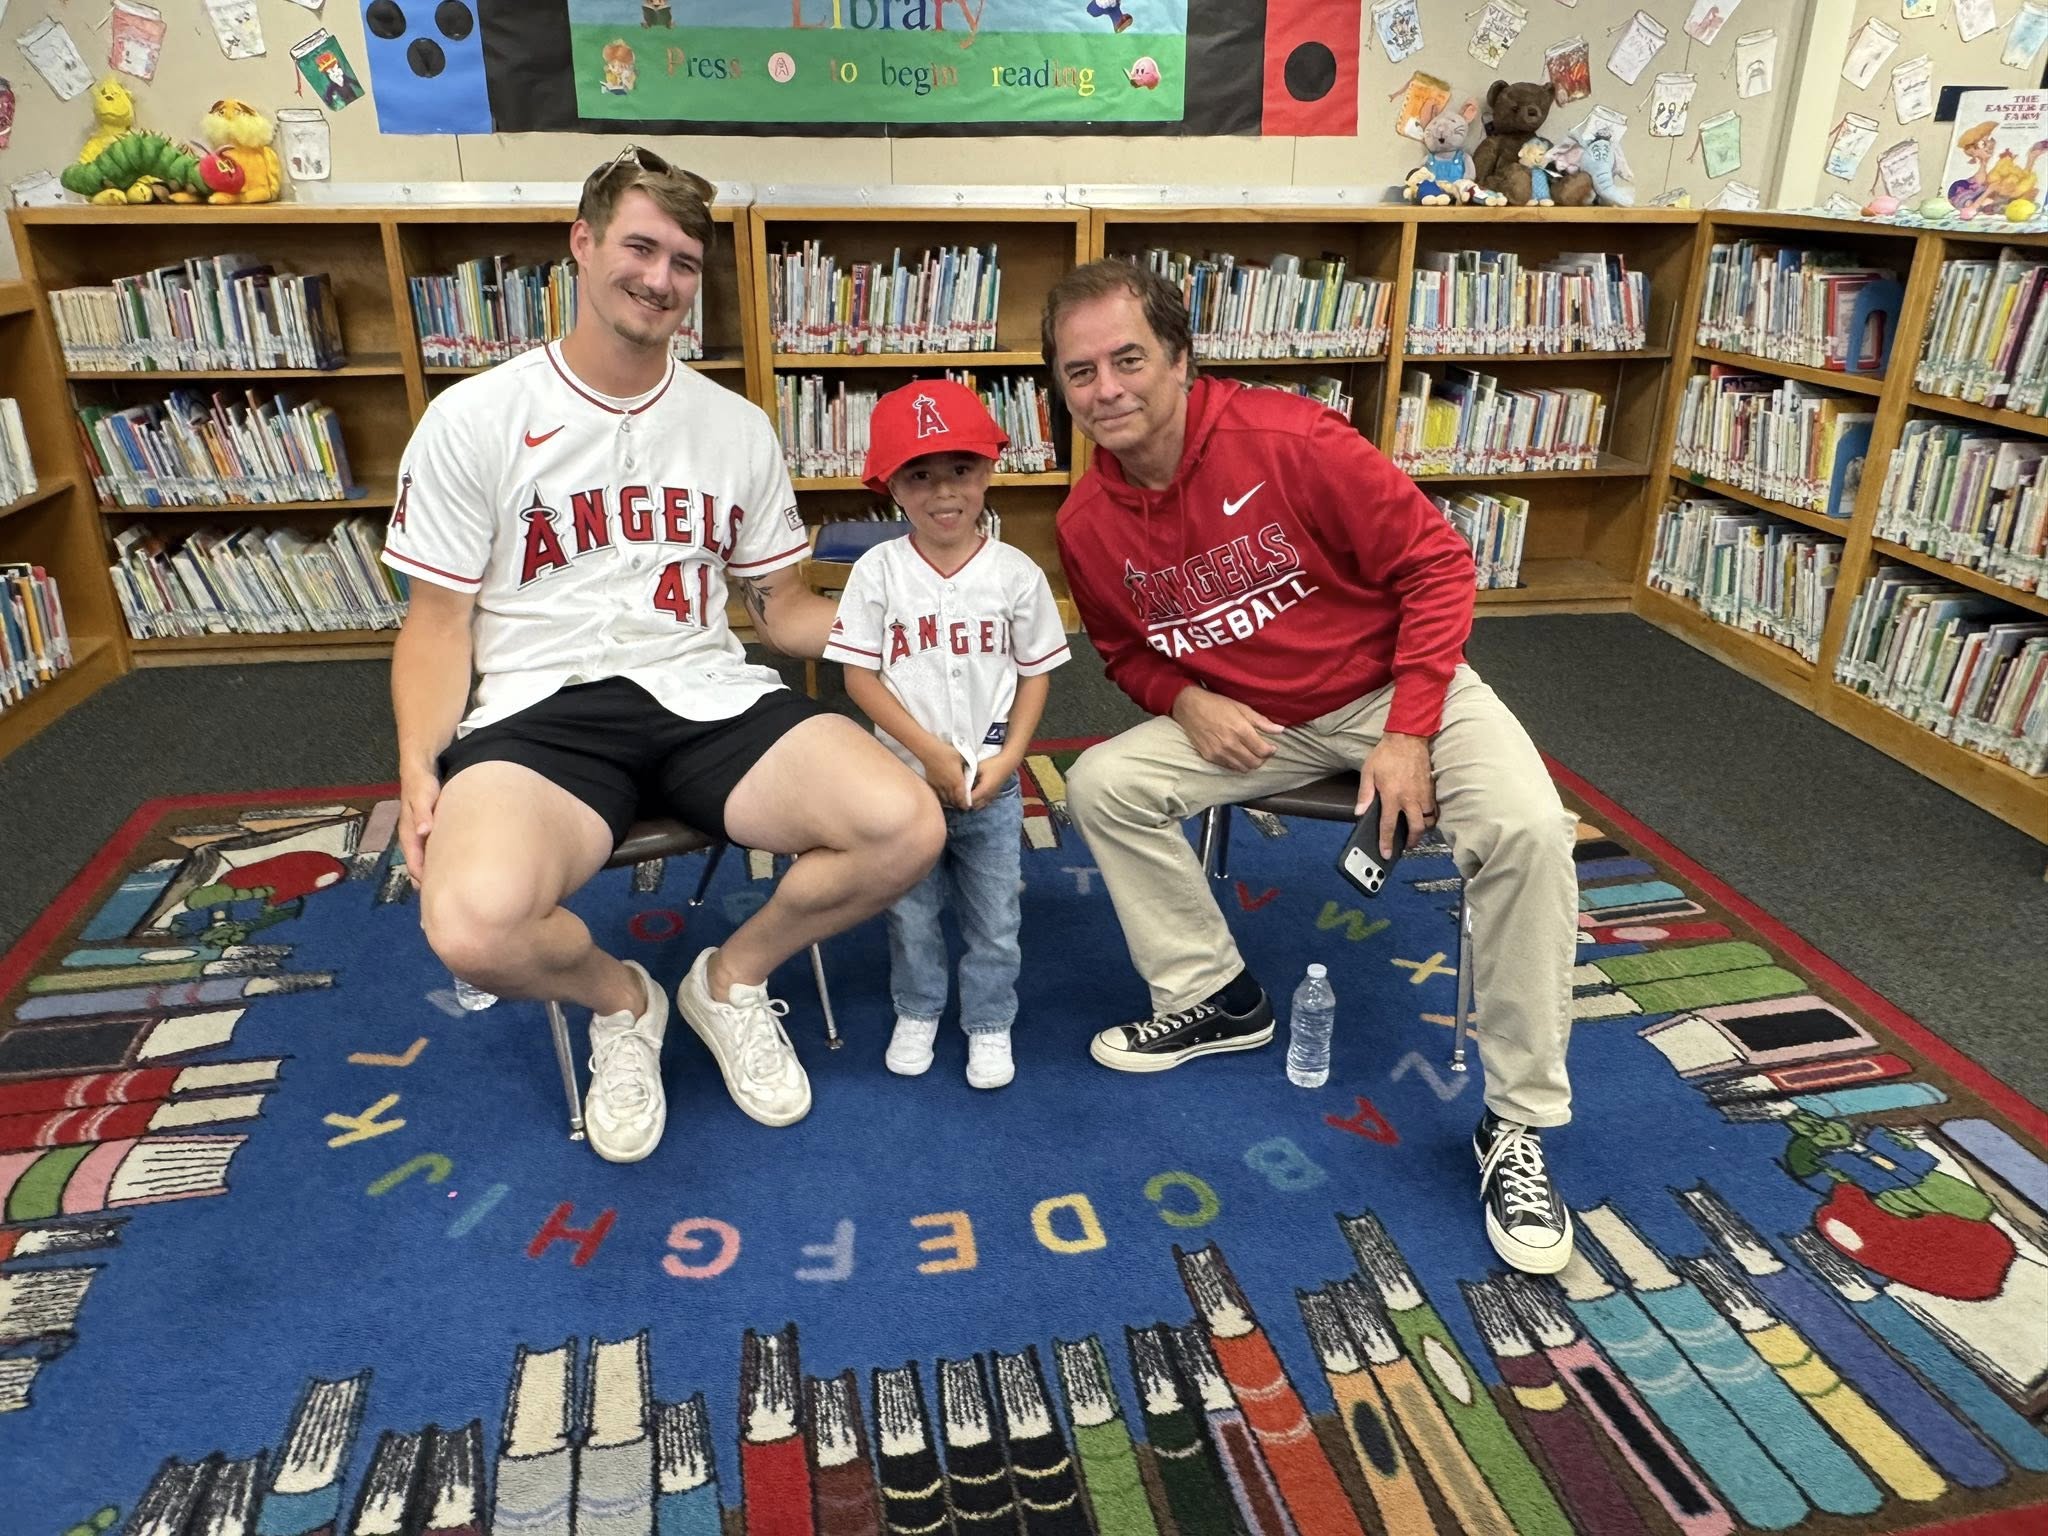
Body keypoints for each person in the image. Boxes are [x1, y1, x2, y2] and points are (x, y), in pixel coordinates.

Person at [383, 148, 944, 1164]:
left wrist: (911, 622)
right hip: (537, 713)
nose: (660, 278)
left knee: (903, 824)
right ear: (583, 244)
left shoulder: (733, 429)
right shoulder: (474, 419)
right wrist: (420, 764)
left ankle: (727, 981)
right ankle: (623, 1002)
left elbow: (780, 609)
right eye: (640, 247)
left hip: (705, 692)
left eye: (684, 262)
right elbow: (435, 622)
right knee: (468, 925)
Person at [1042, 260, 1579, 1274]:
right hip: (1254, 718)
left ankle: (1515, 1122)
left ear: (1180, 360)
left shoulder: (1287, 438)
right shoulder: (1084, 525)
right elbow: (1123, 652)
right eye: (1080, 372)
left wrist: (1411, 726)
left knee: (1525, 831)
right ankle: (1216, 997)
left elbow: (1435, 564)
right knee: (1103, 784)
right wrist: (1186, 700)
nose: (1106, 389)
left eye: (1127, 359)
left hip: (1394, 686)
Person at [823, 380, 1069, 1088]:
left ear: (989, 470)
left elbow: (1035, 674)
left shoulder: (1016, 574)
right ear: (891, 485)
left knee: (995, 917)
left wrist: (1015, 757)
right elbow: (860, 679)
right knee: (911, 913)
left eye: (960, 470)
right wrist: (929, 755)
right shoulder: (877, 572)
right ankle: (919, 1007)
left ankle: (989, 1021)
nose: (943, 493)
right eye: (919, 475)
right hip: (903, 784)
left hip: (991, 782)